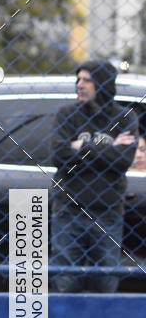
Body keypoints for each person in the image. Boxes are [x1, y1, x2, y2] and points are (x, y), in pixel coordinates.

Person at [50, 60, 138, 293]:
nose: (80, 85)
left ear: (103, 83)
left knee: (106, 282)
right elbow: (60, 156)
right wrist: (108, 148)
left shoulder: (125, 119)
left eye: (86, 80)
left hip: (108, 214)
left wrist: (82, 146)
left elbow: (122, 162)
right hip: (68, 212)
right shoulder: (66, 115)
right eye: (78, 79)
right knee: (66, 282)